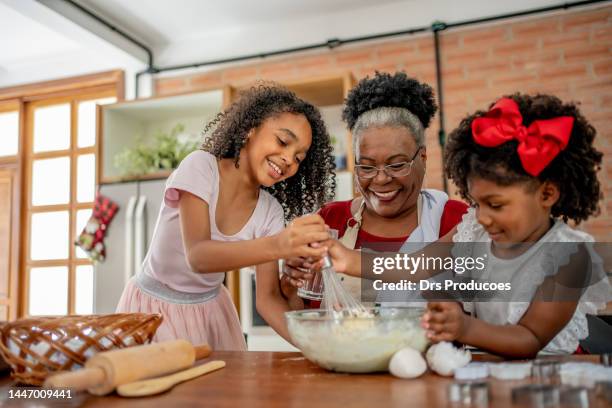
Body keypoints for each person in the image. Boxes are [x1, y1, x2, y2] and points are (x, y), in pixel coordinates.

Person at [329, 94, 610, 357]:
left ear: (547, 194)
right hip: (492, 367)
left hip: (550, 376)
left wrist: (464, 327)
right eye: (477, 203)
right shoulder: (474, 229)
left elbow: (530, 338)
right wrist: (350, 260)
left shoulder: (568, 256)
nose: (483, 216)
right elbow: (413, 267)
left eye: (496, 205)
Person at [116, 83, 336, 350]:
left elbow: (267, 300)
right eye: (282, 141)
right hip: (153, 310)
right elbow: (198, 256)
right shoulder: (201, 167)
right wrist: (281, 244)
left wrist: (320, 348)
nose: (289, 158)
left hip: (211, 312)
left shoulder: (270, 212)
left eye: (299, 158)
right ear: (249, 130)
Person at [282, 72, 468, 305]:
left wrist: (351, 260)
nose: (381, 179)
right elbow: (306, 314)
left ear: (422, 158)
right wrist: (291, 284)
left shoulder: (452, 220)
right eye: (367, 167)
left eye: (397, 164)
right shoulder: (330, 220)